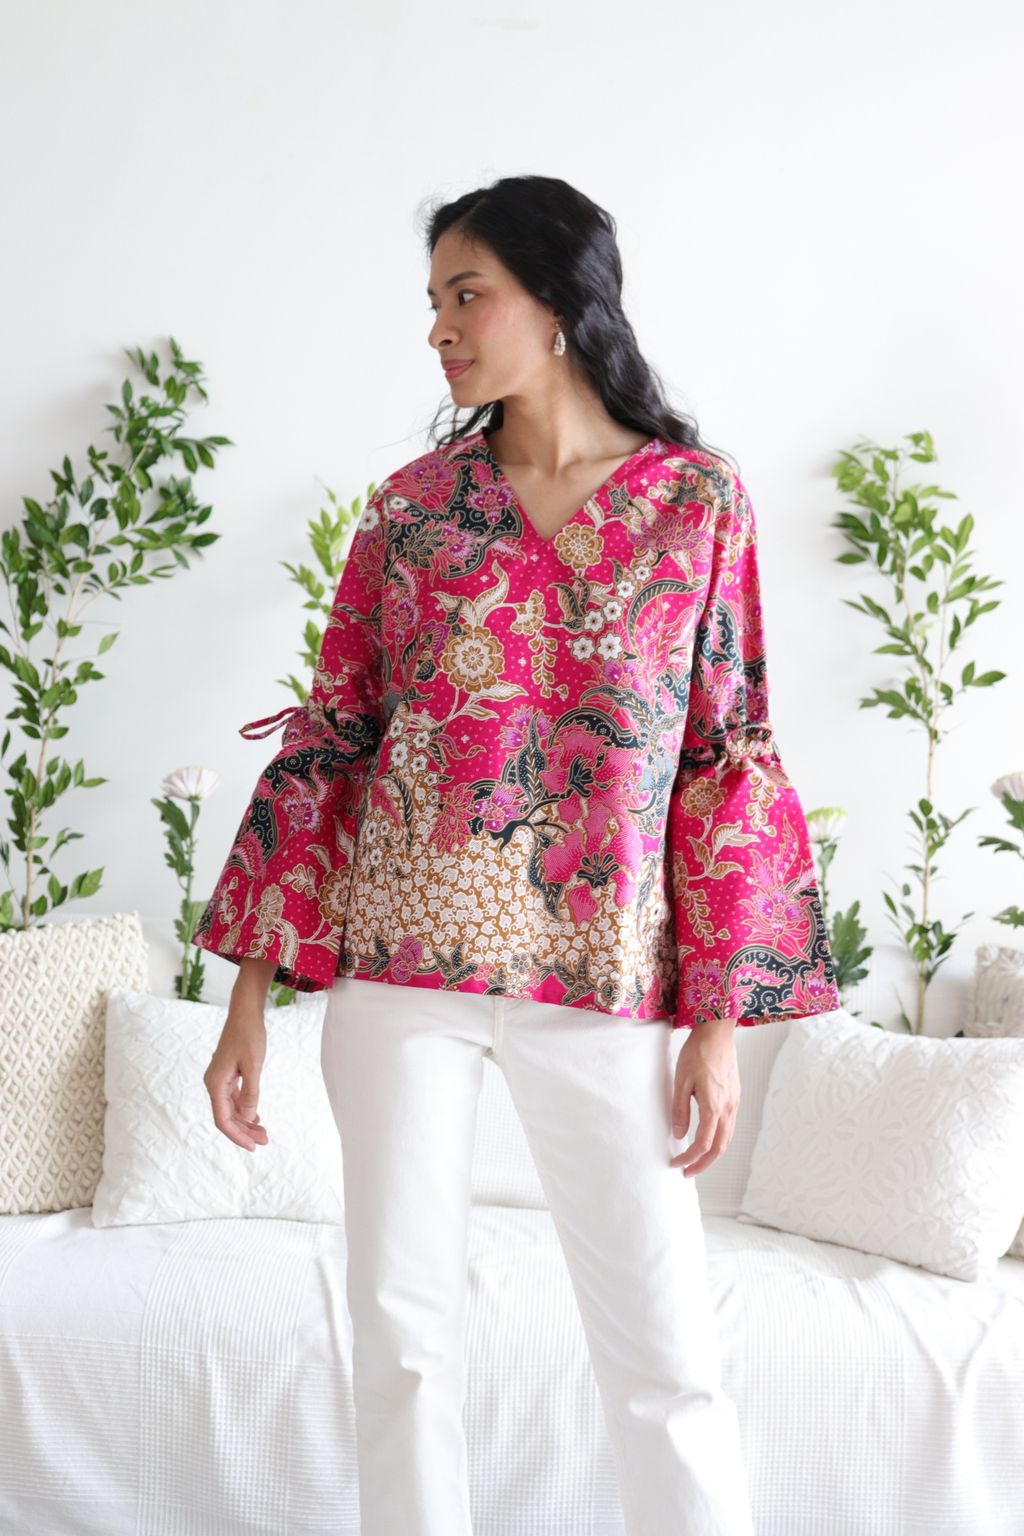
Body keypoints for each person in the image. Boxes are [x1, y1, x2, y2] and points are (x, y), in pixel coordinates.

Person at [195, 174, 841, 1535]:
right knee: (404, 1342)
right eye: (432, 299)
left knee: (664, 1357)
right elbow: (336, 740)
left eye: (465, 294)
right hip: (400, 976)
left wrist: (715, 1024)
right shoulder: (412, 514)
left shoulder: (696, 503)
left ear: (557, 303)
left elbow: (724, 756)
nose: (437, 326)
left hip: (600, 980)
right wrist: (248, 995)